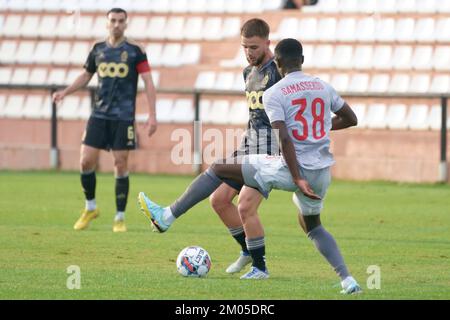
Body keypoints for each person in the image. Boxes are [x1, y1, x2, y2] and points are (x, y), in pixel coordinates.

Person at [138, 38, 362, 294]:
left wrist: (297, 177)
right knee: (314, 227)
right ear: (302, 60)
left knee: (220, 167)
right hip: (321, 173)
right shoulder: (323, 86)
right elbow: (351, 118)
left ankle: (167, 216)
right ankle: (348, 280)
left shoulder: (275, 93)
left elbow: (284, 138)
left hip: (290, 169)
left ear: (277, 64)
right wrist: (319, 128)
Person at [53, 8, 157, 232]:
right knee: (85, 161)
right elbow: (86, 75)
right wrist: (65, 92)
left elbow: (148, 81)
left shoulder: (136, 51)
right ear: (106, 23)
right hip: (99, 114)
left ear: (126, 24)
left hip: (123, 116)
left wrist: (152, 115)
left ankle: (119, 218)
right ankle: (90, 207)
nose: (117, 24)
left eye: (121, 21)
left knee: (120, 164)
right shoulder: (98, 49)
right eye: (113, 21)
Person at [209, 18, 282, 275]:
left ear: (267, 43)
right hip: (249, 145)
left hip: (270, 149)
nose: (249, 53)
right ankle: (247, 252)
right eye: (245, 47)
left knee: (246, 206)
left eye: (253, 47)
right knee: (218, 200)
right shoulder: (247, 73)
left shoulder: (278, 72)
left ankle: (260, 268)